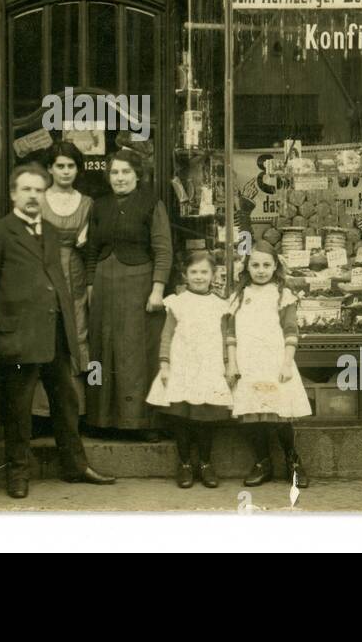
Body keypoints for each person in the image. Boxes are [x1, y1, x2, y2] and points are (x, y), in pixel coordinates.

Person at [0, 163, 115, 498]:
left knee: (66, 403)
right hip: (19, 334)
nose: (33, 196)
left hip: (56, 333)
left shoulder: (50, 231)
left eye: (39, 190)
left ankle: (75, 466)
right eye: (27, 190)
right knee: (18, 409)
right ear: (13, 194)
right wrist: (12, 314)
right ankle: (18, 474)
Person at [85, 148, 172, 434]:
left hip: (139, 283)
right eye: (114, 172)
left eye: (125, 172)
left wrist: (157, 289)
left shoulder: (151, 203)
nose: (119, 178)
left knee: (135, 352)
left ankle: (142, 422)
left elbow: (163, 250)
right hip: (103, 283)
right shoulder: (99, 205)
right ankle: (102, 420)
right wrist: (89, 285)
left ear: (137, 175)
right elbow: (91, 249)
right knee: (103, 348)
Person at [225, 240, 311, 488]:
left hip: (275, 362)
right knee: (252, 414)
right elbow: (230, 334)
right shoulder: (239, 297)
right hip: (248, 363)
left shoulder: (283, 296)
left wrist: (286, 363)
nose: (260, 270)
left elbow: (290, 331)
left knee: (279, 415)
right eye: (255, 265)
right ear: (247, 267)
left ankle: (293, 461)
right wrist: (232, 364)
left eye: (266, 265)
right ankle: (263, 462)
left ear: (275, 267)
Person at [146, 250, 232, 488]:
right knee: (182, 418)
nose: (199, 277)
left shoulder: (220, 306)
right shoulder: (177, 302)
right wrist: (164, 364)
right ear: (185, 275)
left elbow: (225, 337)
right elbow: (167, 335)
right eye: (193, 272)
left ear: (213, 275)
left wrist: (226, 364)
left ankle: (205, 463)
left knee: (206, 418)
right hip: (182, 365)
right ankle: (184, 464)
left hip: (208, 366)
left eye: (204, 272)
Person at [32, 141, 93, 417]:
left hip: (76, 275)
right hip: (44, 271)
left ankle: (75, 408)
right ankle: (42, 410)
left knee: (77, 332)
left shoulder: (87, 203)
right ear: (50, 169)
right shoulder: (39, 201)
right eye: (60, 166)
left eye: (71, 166)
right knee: (47, 333)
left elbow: (90, 242)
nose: (66, 171)